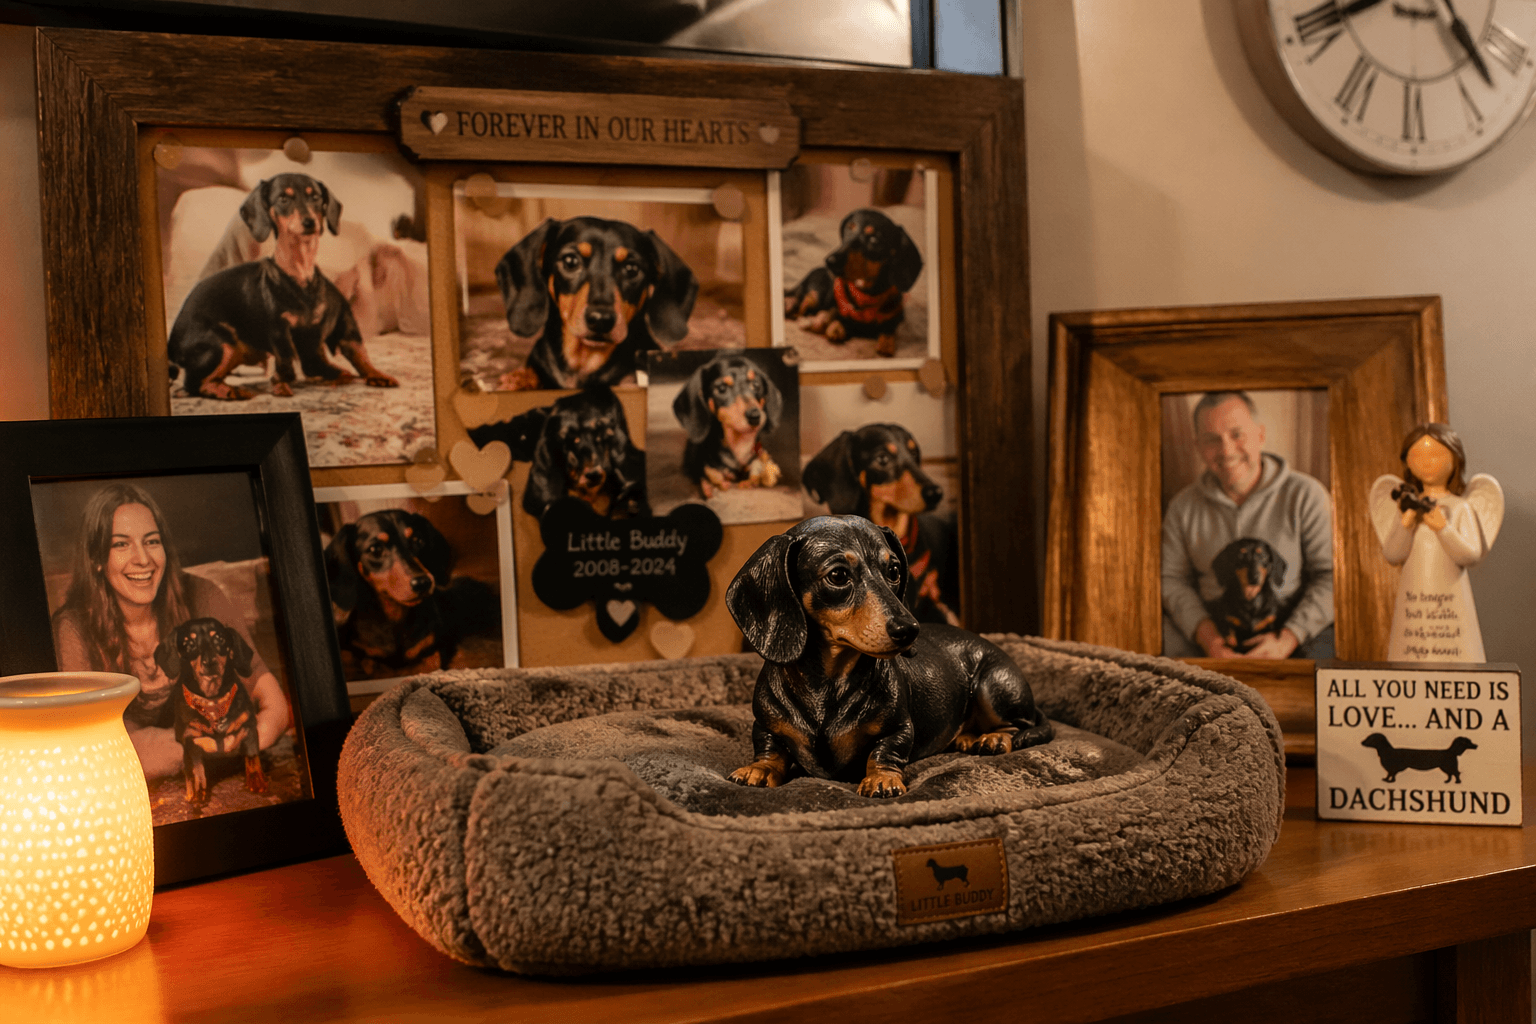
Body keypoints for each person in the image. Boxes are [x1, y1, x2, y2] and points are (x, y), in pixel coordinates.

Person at [50, 482, 291, 780]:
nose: (143, 559)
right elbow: (85, 745)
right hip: (128, 779)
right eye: (121, 544)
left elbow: (274, 704)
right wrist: (192, 746)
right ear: (96, 559)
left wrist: (236, 743)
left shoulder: (202, 595)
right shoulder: (73, 628)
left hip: (214, 758)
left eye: (152, 541)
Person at [1161, 391, 1335, 659]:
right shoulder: (1182, 507)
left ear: (1260, 435)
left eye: (1237, 434)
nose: (1226, 450)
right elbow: (1172, 580)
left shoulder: (1307, 495)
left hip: (1289, 626)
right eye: (1212, 440)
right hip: (1214, 629)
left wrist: (1289, 637)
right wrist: (1210, 640)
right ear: (1198, 447)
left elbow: (1331, 576)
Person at [1370, 424, 1503, 662]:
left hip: (1451, 607)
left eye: (1436, 455)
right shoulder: (1407, 507)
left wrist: (1444, 528)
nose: (1427, 462)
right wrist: (1406, 523)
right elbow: (1392, 554)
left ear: (1455, 460)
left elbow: (1471, 555)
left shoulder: (1460, 507)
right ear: (1407, 462)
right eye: (1418, 456)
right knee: (1409, 658)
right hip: (1415, 607)